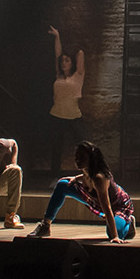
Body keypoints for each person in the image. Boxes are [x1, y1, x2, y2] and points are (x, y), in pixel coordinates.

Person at [28, 141, 135, 242]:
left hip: (117, 205)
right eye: (76, 157)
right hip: (96, 201)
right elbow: (85, 176)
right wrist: (75, 178)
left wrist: (115, 237)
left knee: (113, 234)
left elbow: (107, 207)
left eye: (82, 157)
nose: (77, 160)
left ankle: (129, 223)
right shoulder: (87, 172)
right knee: (63, 184)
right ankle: (45, 225)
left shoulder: (99, 178)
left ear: (91, 158)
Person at [47, 26, 85, 176]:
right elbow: (57, 54)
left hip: (74, 116)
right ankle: (54, 177)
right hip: (56, 116)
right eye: (62, 61)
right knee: (56, 148)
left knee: (84, 146)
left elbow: (80, 54)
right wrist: (57, 36)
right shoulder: (59, 75)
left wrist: (74, 47)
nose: (63, 63)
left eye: (67, 60)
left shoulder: (78, 75)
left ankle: (88, 176)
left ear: (72, 62)